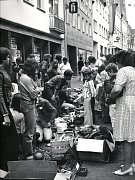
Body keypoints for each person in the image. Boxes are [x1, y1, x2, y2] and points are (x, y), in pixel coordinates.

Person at [110, 50, 135, 176]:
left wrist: (111, 95)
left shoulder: (123, 71)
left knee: (126, 137)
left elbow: (117, 89)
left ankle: (126, 167)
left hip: (126, 104)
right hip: (134, 103)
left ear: (120, 62)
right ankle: (132, 163)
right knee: (133, 136)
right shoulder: (134, 71)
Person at [0, 47, 19, 171]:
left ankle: (7, 165)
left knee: (8, 138)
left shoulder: (3, 70)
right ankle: (6, 167)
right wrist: (5, 114)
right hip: (2, 110)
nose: (9, 60)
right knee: (9, 138)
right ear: (3, 59)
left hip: (4, 107)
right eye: (7, 58)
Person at [19, 57, 40, 160]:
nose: (36, 70)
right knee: (29, 131)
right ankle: (28, 155)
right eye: (35, 68)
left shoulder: (24, 77)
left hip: (27, 104)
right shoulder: (26, 79)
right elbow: (34, 94)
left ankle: (30, 151)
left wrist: (36, 89)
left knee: (31, 129)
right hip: (29, 104)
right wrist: (37, 90)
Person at [104, 63, 118, 128]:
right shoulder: (121, 77)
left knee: (114, 119)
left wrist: (108, 100)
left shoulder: (112, 79)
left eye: (108, 72)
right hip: (119, 102)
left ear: (111, 71)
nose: (108, 75)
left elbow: (109, 90)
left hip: (113, 102)